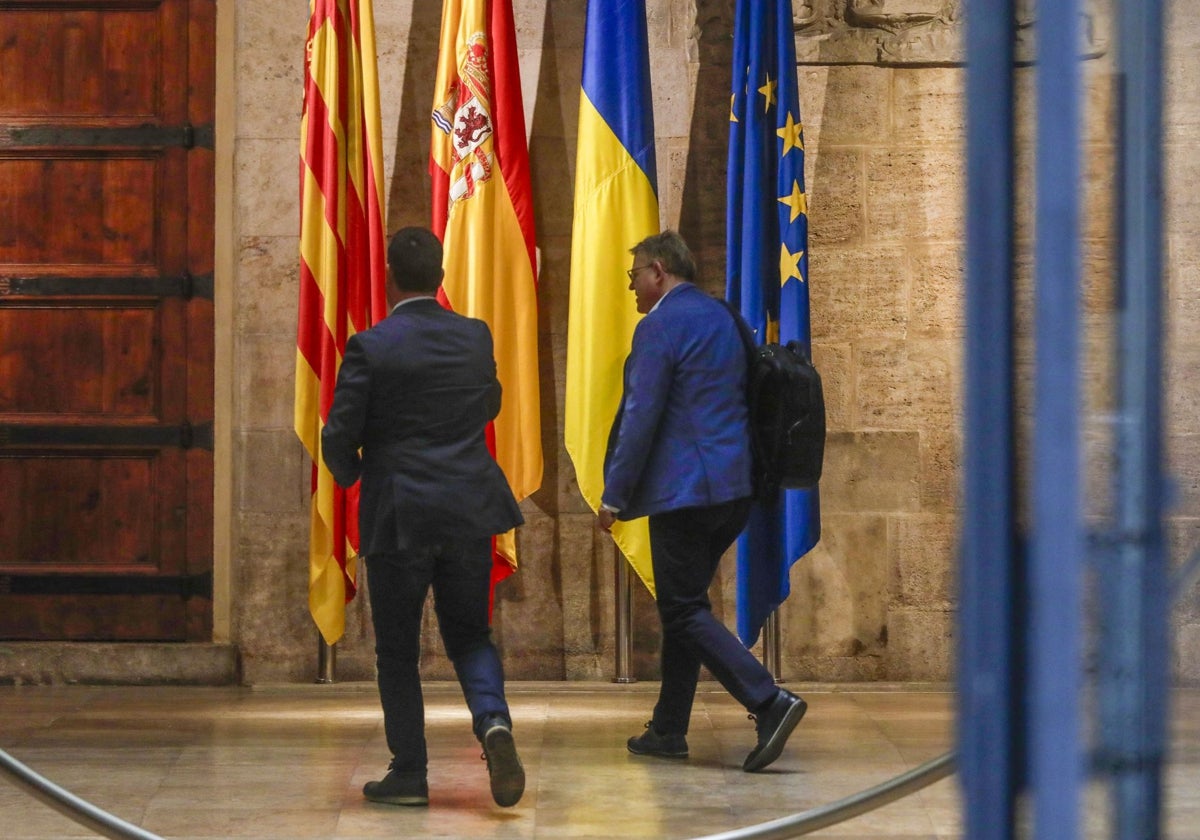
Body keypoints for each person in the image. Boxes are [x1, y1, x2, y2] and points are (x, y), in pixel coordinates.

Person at [322, 226, 525, 808]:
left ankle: (410, 773)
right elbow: (490, 400)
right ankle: (493, 723)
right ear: (440, 276)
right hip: (469, 506)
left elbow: (340, 436)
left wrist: (359, 473)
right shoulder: (473, 336)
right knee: (470, 634)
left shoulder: (372, 345)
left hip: (400, 514)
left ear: (389, 277)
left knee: (398, 650)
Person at [598, 230, 807, 773]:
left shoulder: (660, 325)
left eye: (635, 274)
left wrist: (614, 495)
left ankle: (768, 700)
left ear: (660, 270)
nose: (632, 286)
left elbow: (640, 416)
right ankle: (669, 729)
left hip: (685, 492)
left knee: (683, 608)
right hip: (734, 489)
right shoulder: (724, 317)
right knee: (685, 604)